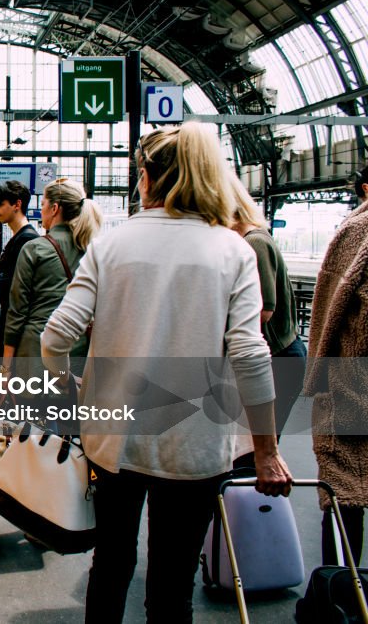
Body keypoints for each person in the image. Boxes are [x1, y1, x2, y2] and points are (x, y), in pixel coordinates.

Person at [41, 123, 292, 623]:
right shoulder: (232, 250)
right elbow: (250, 353)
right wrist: (266, 453)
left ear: (147, 178)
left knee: (110, 564)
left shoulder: (111, 245)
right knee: (172, 585)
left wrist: (72, 400)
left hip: (113, 442)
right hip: (196, 447)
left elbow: (55, 337)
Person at [305, 190, 368, 565]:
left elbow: (328, 314)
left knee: (345, 497)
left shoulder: (356, 233)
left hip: (351, 388)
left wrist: (316, 380)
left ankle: (340, 598)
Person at [227, 175, 306, 440]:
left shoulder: (254, 242)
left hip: (279, 358)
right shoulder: (255, 238)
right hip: (282, 354)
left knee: (260, 439)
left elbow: (262, 311)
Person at [3, 178, 102, 377]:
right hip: (77, 351)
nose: (41, 211)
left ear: (55, 208)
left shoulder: (34, 248)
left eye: (43, 205)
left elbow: (17, 313)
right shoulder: (92, 249)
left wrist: (5, 366)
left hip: (34, 354)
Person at [0, 180, 38, 358]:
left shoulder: (26, 241)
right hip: (10, 328)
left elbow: (18, 295)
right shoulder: (21, 238)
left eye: (0, 204)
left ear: (17, 204)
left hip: (13, 333)